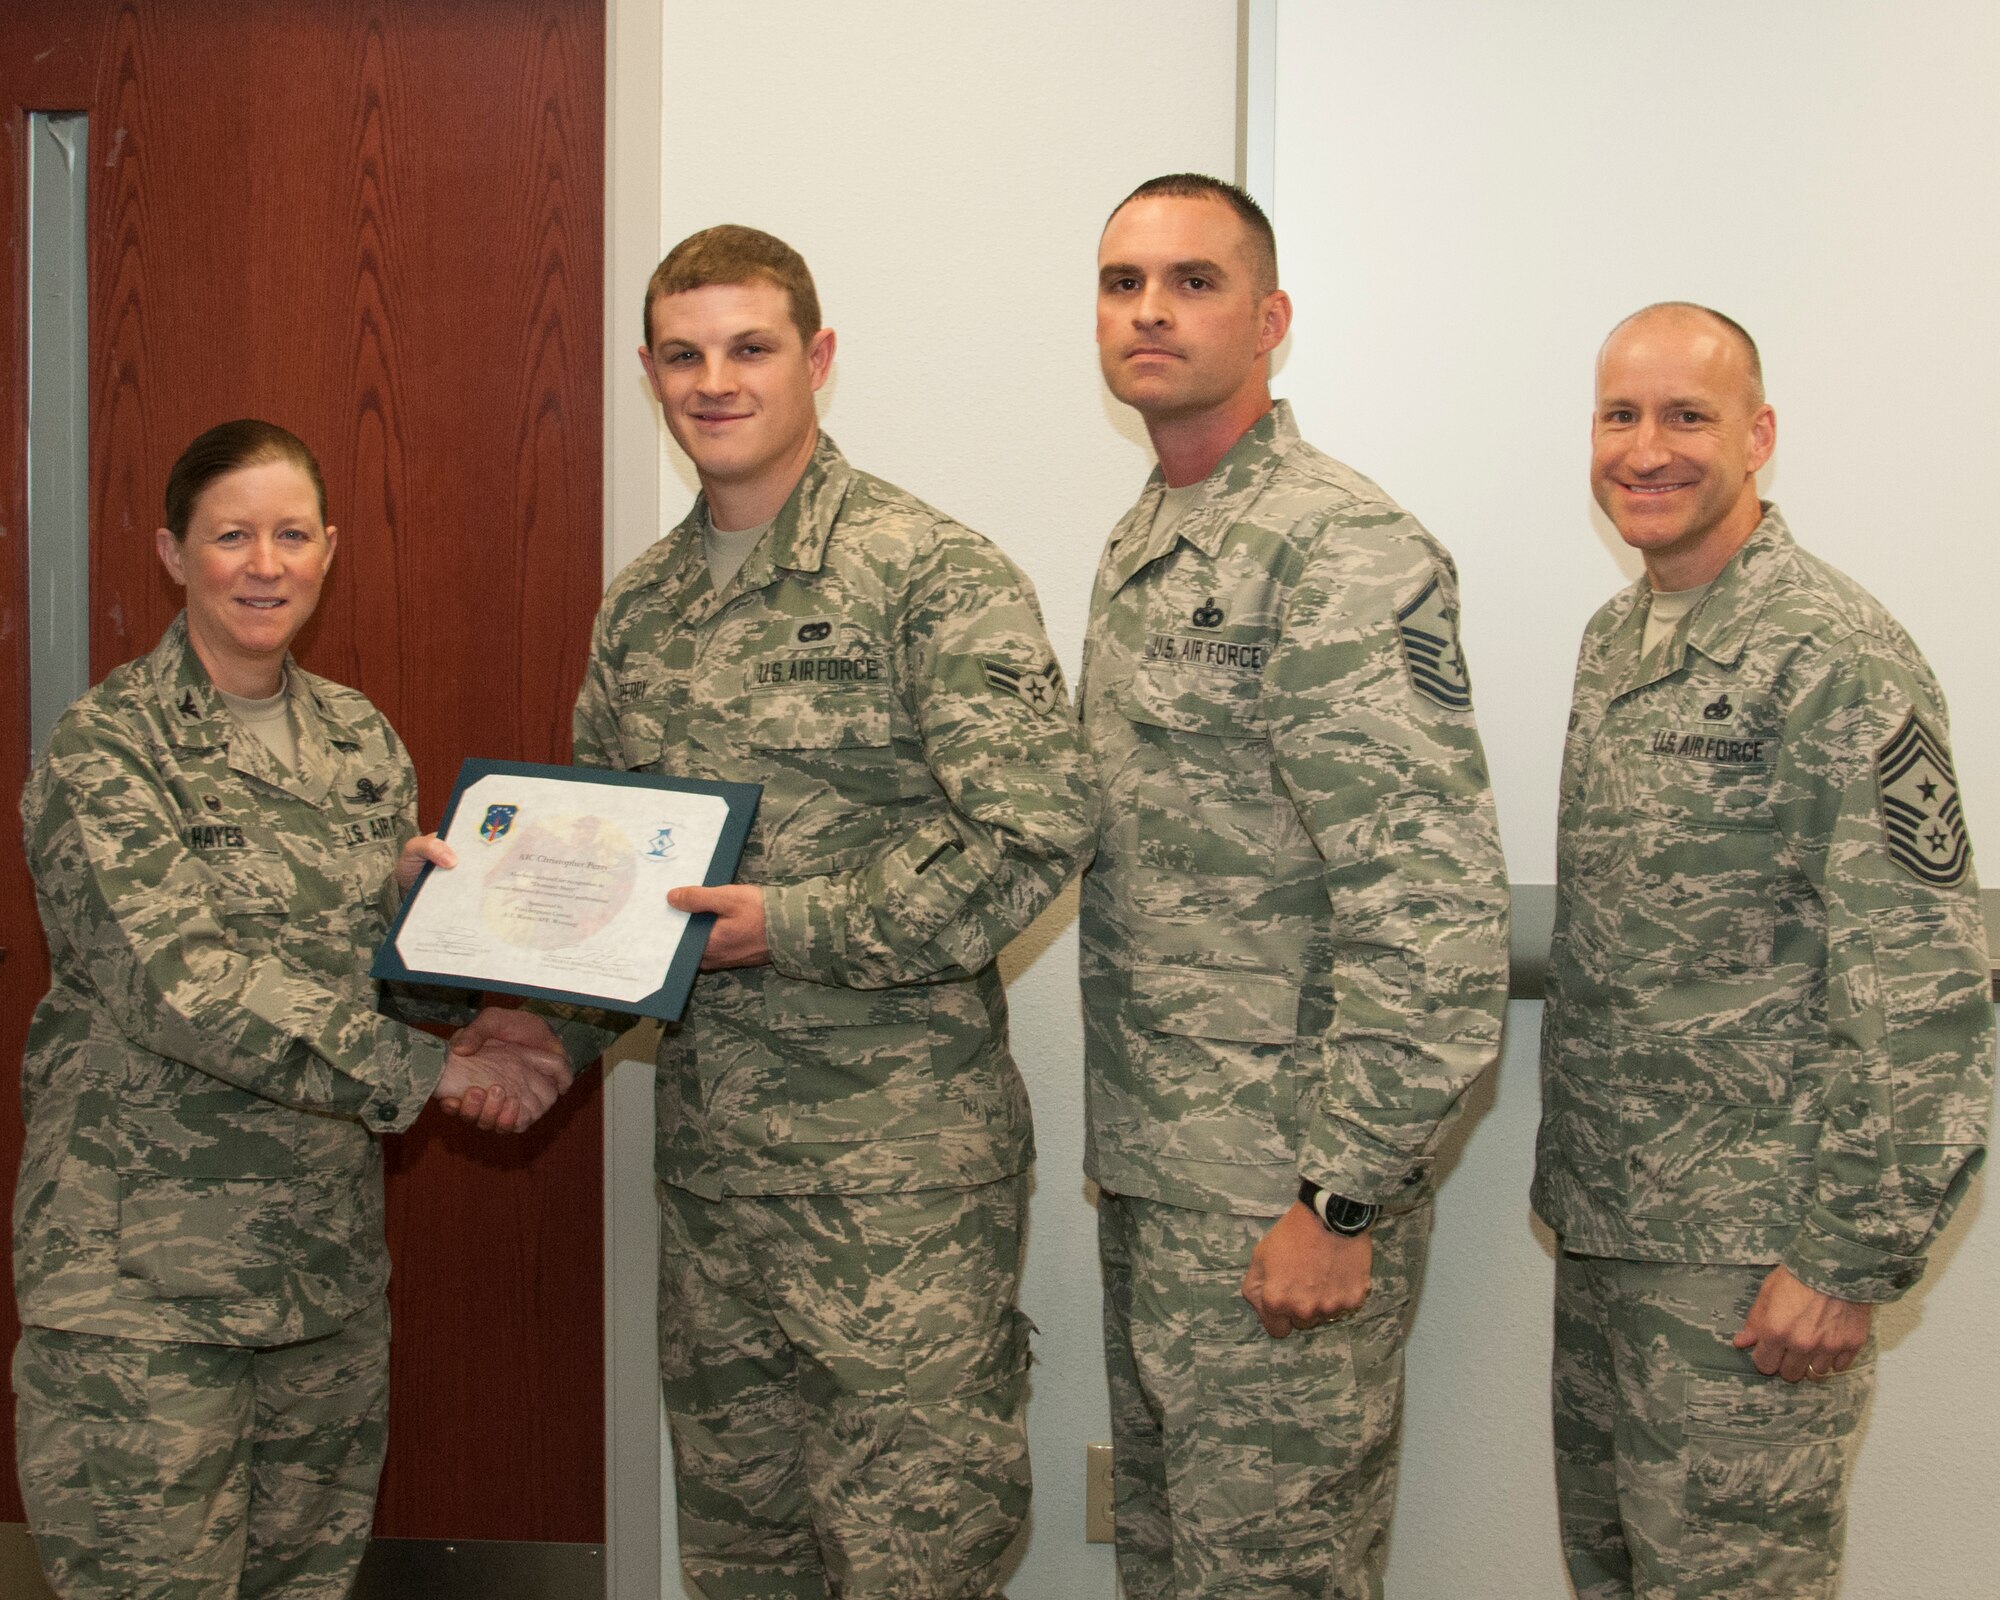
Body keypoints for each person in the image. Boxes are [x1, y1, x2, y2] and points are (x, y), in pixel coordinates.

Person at [458, 225, 1090, 1598]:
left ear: (818, 360)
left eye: (750, 348)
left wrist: (791, 923)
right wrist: (542, 1035)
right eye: (684, 355)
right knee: (746, 1571)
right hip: (717, 1195)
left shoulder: (931, 574)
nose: (716, 381)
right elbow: (609, 884)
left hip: (898, 1194)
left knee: (915, 1568)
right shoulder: (640, 609)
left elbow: (1036, 830)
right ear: (647, 372)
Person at [11, 419, 575, 1600]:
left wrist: (456, 969)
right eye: (229, 535)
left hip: (317, 1278)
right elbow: (183, 989)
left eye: (289, 534)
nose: (262, 563)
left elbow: (370, 977)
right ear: (173, 554)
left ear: (326, 550)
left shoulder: (358, 741)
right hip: (143, 1295)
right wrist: (429, 1076)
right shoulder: (107, 749)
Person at [1078, 174, 1510, 1599]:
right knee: (1174, 1568)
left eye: (1193, 281)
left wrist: (1339, 1201)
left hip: (1280, 1192)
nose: (1150, 309)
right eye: (1123, 281)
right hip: (1163, 1179)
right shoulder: (1148, 540)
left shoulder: (1340, 548)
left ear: (1269, 320)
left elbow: (1431, 910)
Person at [1533, 302, 1994, 1598]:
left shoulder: (1835, 654)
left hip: (1755, 1267)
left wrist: (1848, 1260)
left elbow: (1926, 985)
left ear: (1759, 436)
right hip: (1615, 1235)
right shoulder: (1616, 641)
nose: (1647, 447)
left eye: (1688, 415)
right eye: (1620, 414)